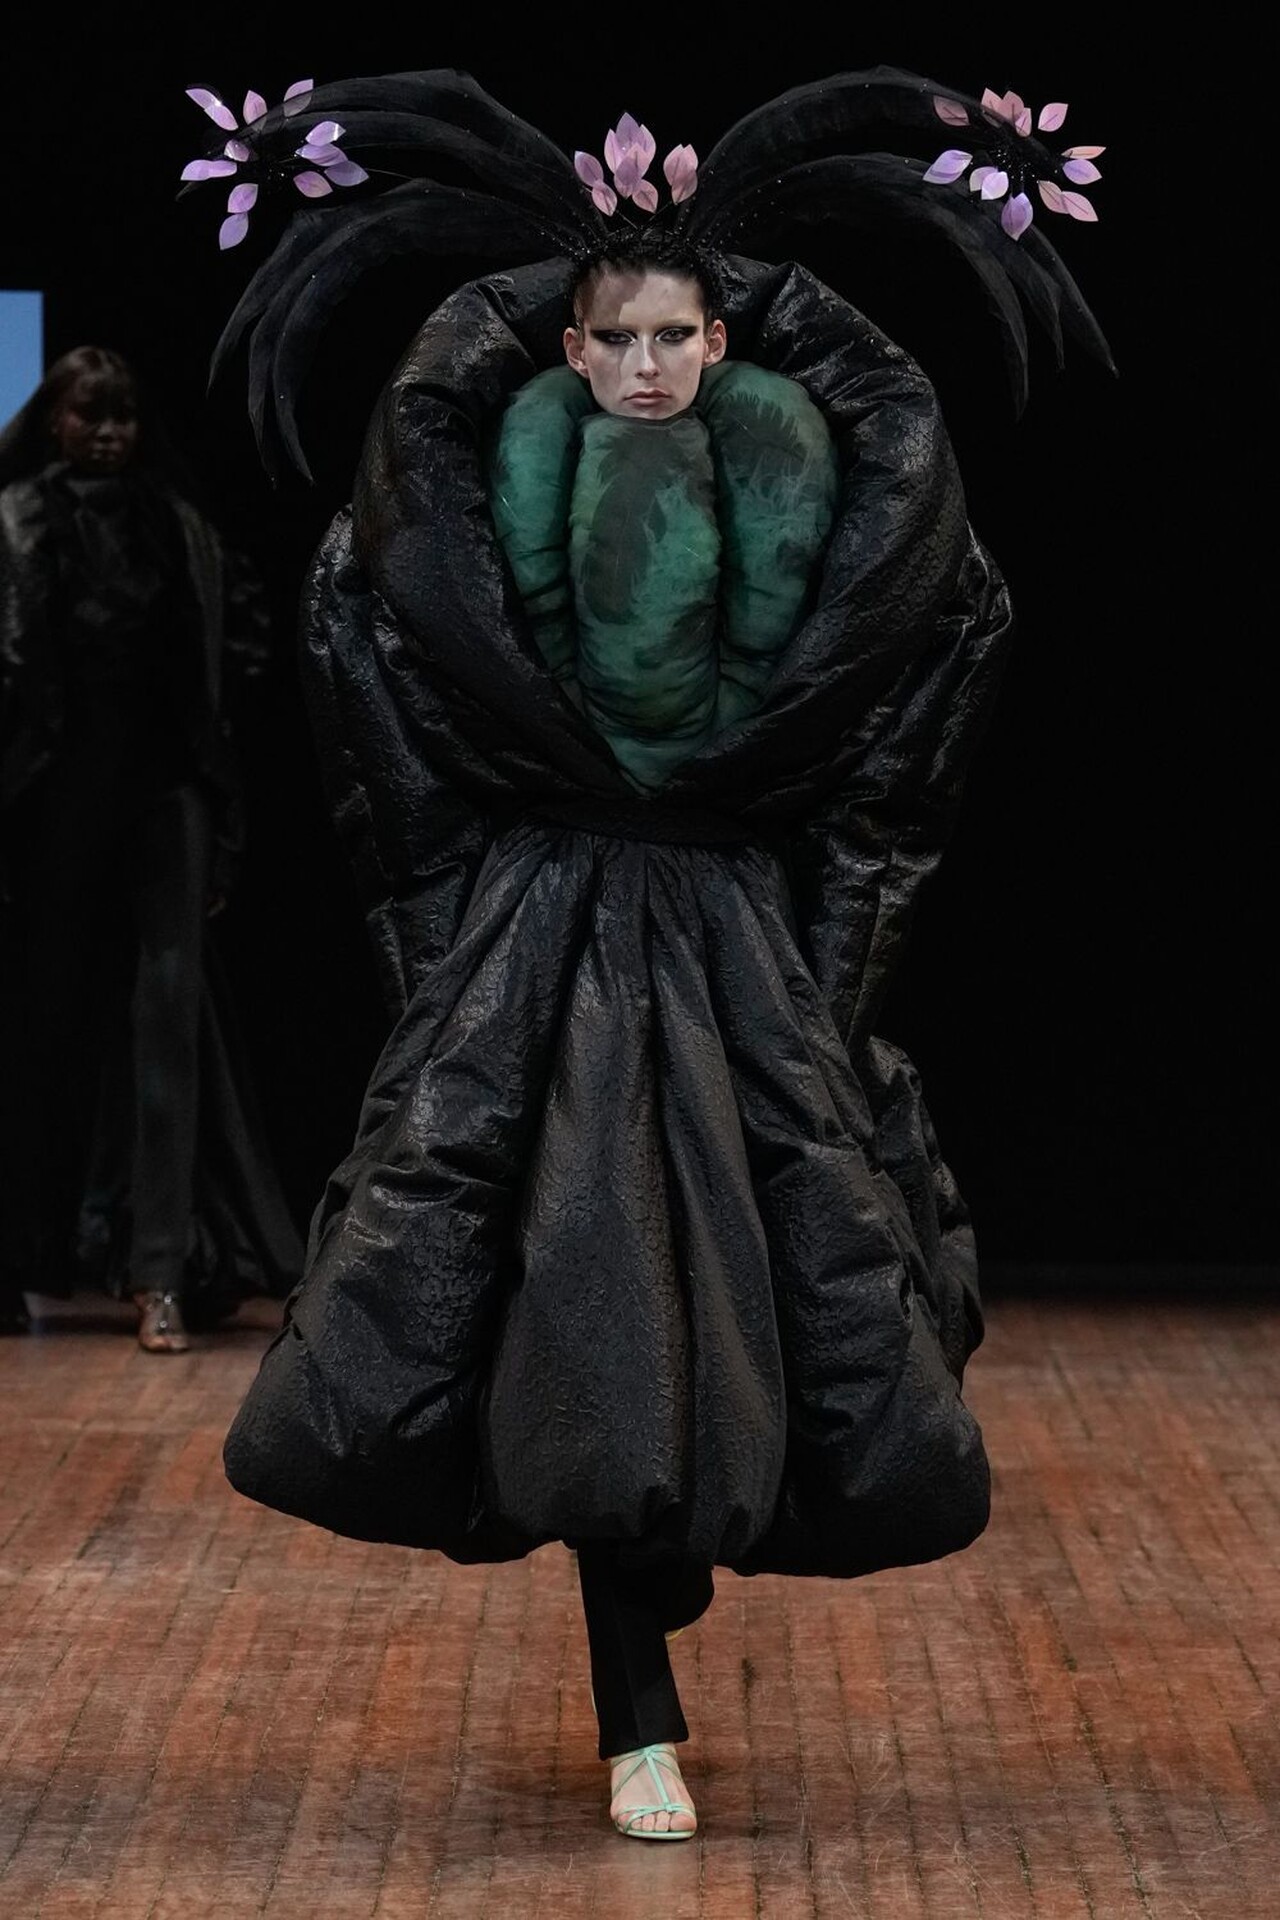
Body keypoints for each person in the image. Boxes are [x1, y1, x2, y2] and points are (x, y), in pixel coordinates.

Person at [182, 68, 1111, 1838]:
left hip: (733, 934)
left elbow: (916, 692)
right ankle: (640, 1715)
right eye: (615, 337)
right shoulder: (479, 502)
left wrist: (823, 939)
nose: (647, 364)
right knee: (577, 1289)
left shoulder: (803, 486)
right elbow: (380, 685)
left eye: (678, 333)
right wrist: (453, 934)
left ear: (722, 339)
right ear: (569, 347)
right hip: (547, 928)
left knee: (760, 1295)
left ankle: (660, 1578)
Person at [0, 346, 302, 1348]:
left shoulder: (178, 525)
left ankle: (160, 1270)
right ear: (54, 420)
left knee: (169, 1022)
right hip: (50, 801)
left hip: (166, 792)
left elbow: (238, 639)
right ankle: (23, 1255)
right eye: (89, 415)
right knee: (39, 1025)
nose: (108, 434)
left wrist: (216, 784)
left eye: (122, 416)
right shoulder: (16, 520)